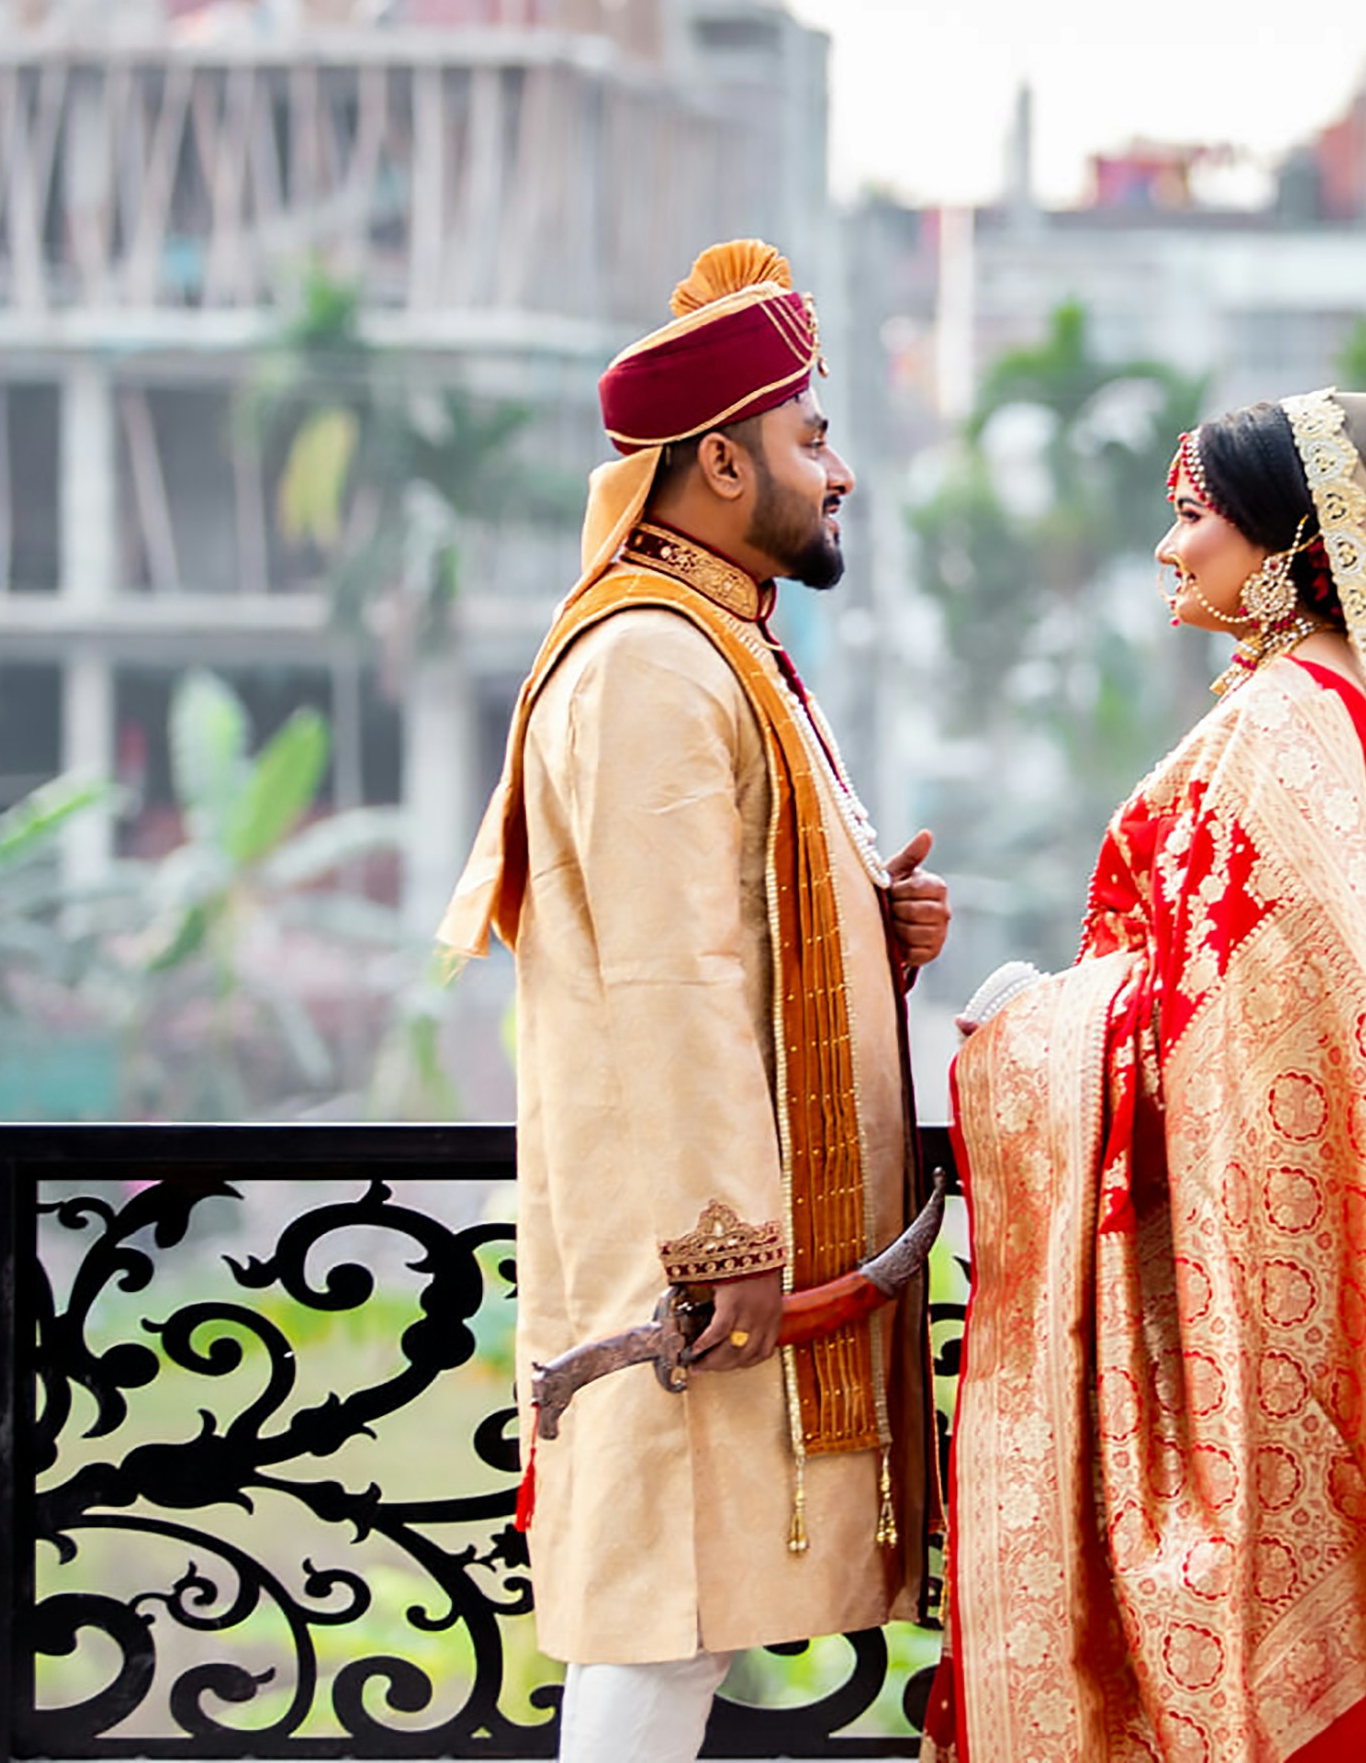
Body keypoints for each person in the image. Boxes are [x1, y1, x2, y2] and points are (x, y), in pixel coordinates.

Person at [929, 390, 1366, 1762]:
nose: (1170, 548)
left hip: (1224, 1265)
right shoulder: (1327, 709)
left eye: (1193, 515)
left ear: (1288, 543)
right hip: (1275, 1239)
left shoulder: (1284, 725)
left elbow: (1231, 1035)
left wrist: (1025, 1029)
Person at [440, 238, 954, 1763]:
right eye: (812, 440)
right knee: (662, 1616)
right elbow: (671, 976)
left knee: (688, 1616)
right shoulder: (652, 664)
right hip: (698, 1252)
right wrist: (723, 1242)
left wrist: (872, 930)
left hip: (727, 1241)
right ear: (722, 464)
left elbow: (734, 926)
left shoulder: (717, 643)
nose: (840, 473)